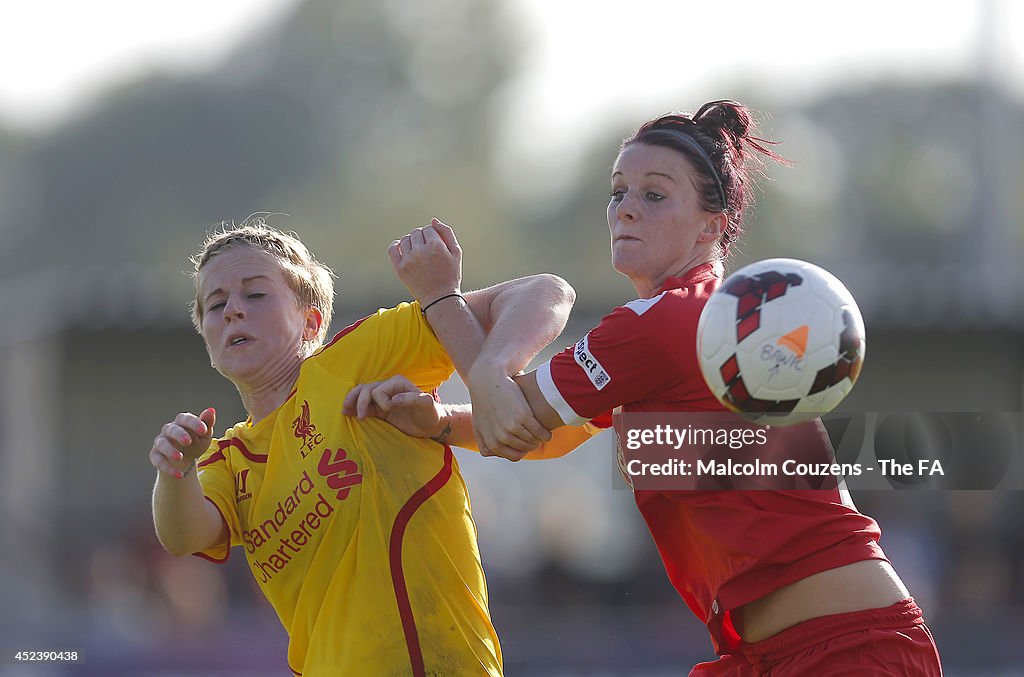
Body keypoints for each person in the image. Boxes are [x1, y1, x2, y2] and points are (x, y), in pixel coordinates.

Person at [350, 102, 944, 675]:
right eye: (618, 192)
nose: (625, 209)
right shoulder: (683, 323)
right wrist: (438, 424)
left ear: (713, 225)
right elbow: (539, 435)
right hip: (780, 652)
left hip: (847, 650)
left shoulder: (665, 324)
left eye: (654, 195)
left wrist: (439, 297)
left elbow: (508, 414)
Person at [148, 216, 573, 676]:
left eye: (255, 294)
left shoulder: (356, 360)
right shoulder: (229, 459)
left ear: (310, 321)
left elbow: (544, 292)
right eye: (215, 305)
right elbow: (183, 536)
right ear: (208, 341)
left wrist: (490, 372)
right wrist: (176, 469)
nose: (233, 310)